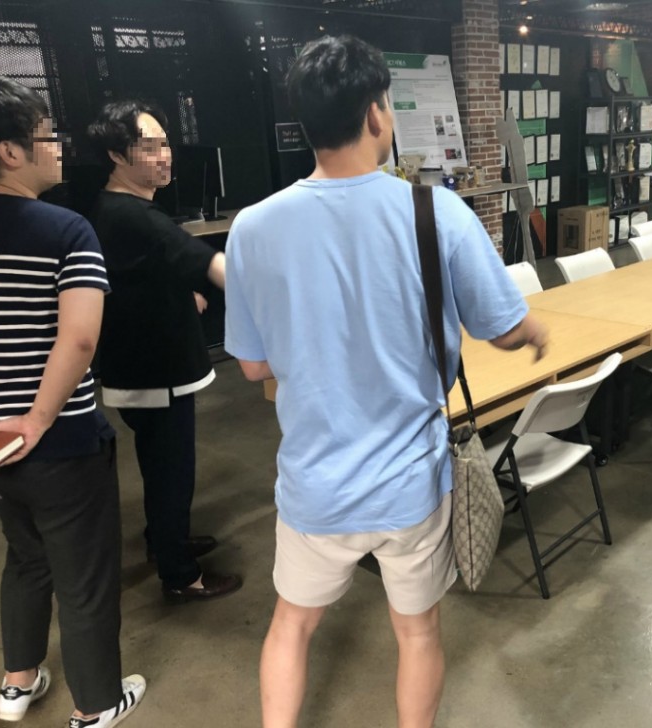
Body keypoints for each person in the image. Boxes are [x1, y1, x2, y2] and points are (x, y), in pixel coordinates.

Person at [224, 35, 548, 728]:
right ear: (377, 114)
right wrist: (534, 333)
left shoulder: (252, 227)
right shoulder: (436, 212)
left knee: (291, 625)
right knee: (418, 632)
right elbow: (501, 327)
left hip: (314, 484)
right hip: (410, 485)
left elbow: (253, 366)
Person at [0, 76, 145, 727]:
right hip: (62, 441)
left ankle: (17, 683)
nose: (58, 147)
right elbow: (79, 337)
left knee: (24, 558)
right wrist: (38, 419)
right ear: (10, 152)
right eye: (46, 136)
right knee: (84, 578)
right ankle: (96, 706)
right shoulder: (66, 229)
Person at [86, 100, 242, 602]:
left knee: (160, 464)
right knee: (171, 468)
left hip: (144, 366)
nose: (164, 155)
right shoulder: (131, 214)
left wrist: (182, 290)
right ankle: (180, 575)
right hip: (153, 371)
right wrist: (276, 289)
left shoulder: (117, 208)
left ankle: (164, 539)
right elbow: (199, 259)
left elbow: (147, 272)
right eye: (148, 147)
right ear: (116, 155)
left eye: (165, 143)